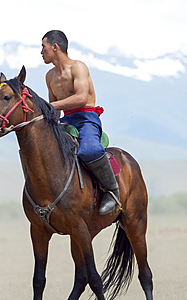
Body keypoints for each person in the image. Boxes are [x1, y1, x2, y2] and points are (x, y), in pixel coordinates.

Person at [41, 30, 120, 215]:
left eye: (43, 47)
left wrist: (49, 106)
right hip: (66, 121)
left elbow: (81, 98)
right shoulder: (49, 76)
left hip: (86, 118)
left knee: (90, 150)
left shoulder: (78, 67)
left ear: (55, 47)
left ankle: (112, 191)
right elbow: (56, 110)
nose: (41, 52)